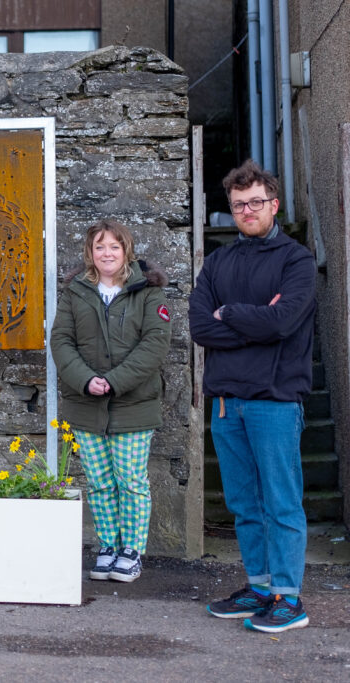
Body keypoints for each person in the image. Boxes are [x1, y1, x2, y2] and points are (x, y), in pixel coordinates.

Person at [191, 160, 316, 633]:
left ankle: (288, 598)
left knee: (281, 502)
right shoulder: (218, 262)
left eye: (256, 202)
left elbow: (283, 323)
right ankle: (260, 587)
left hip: (275, 401)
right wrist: (251, 321)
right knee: (244, 503)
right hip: (226, 402)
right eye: (239, 204)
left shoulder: (296, 261)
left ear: (274, 205)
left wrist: (231, 315)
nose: (247, 210)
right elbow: (201, 326)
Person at [50, 219, 171, 584]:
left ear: (126, 251)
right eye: (100, 247)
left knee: (131, 481)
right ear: (90, 252)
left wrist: (114, 382)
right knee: (100, 481)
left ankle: (131, 551)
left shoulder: (148, 292)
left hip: (134, 404)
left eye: (114, 247)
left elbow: (155, 345)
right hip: (86, 404)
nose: (107, 253)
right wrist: (87, 380)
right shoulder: (75, 292)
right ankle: (108, 546)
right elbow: (61, 342)